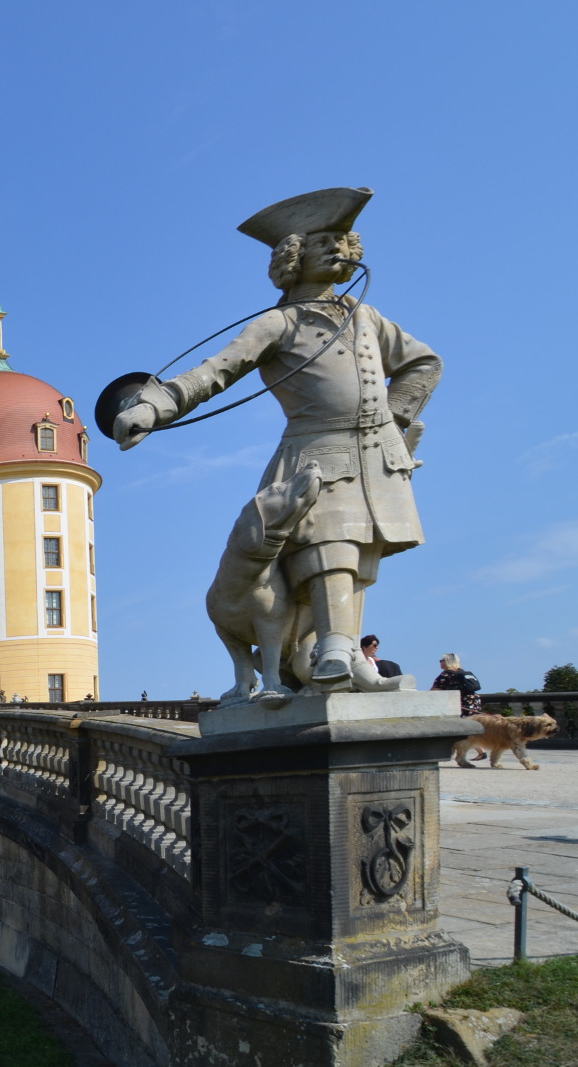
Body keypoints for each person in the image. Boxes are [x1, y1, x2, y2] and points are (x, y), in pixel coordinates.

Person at [114, 188, 442, 694]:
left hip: (375, 451)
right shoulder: (279, 323)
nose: (339, 249)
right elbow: (215, 373)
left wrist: (394, 420)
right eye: (323, 242)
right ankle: (331, 647)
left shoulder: (364, 315)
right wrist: (154, 406)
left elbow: (424, 363)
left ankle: (346, 652)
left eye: (342, 241)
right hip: (316, 450)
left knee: (359, 554)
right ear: (294, 256)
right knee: (331, 544)